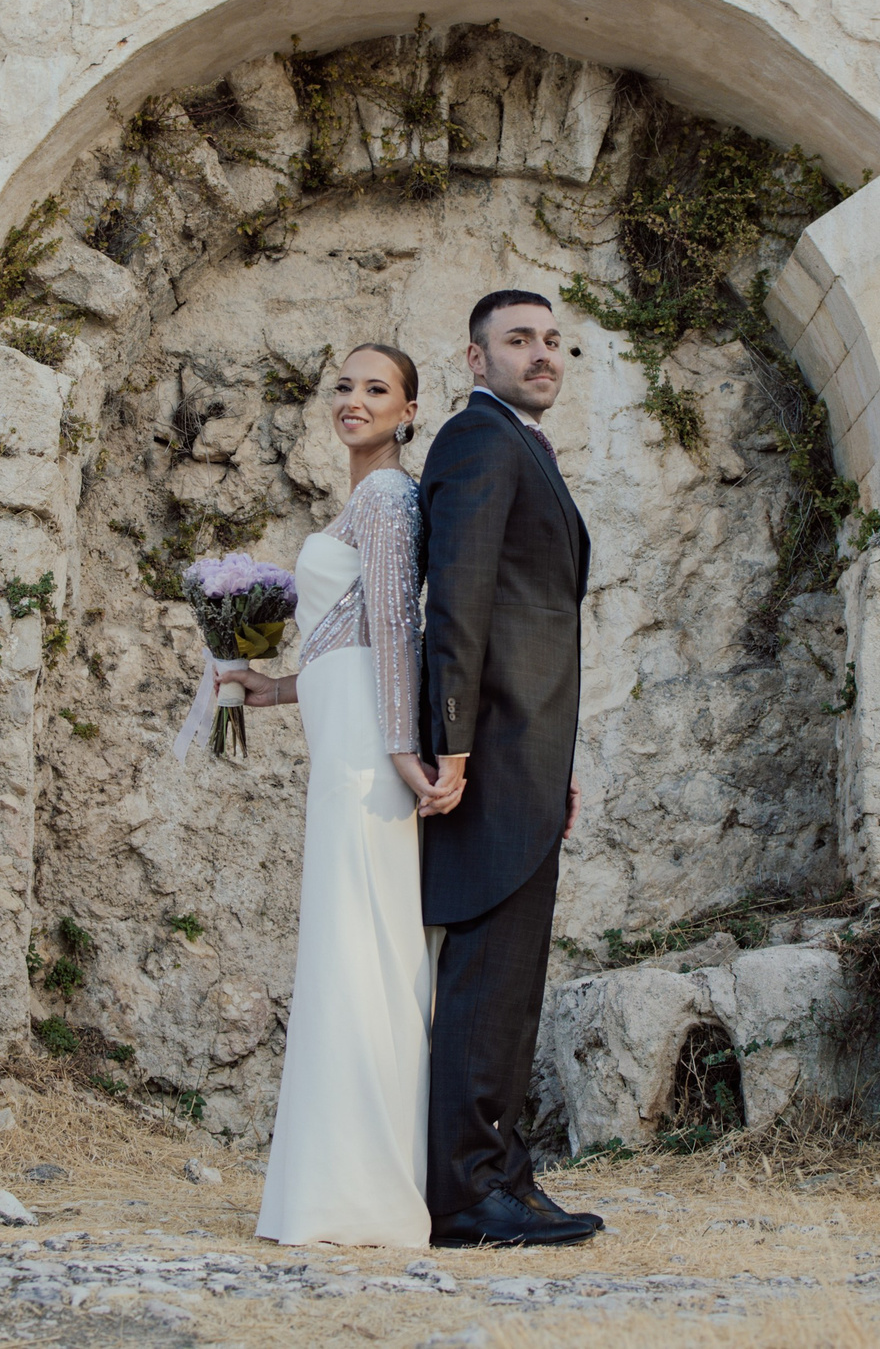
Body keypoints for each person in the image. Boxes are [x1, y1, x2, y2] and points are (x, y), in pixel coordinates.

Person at [215, 344, 454, 1247]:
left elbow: (397, 620)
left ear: (408, 412)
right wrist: (258, 687)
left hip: (366, 752)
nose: (354, 400)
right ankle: (331, 1181)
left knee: (366, 945)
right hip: (344, 734)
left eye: (376, 389)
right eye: (344, 386)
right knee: (341, 943)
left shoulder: (391, 497)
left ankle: (368, 1192)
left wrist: (401, 745)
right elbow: (337, 646)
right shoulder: (357, 501)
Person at [414, 290, 602, 1249]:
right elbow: (459, 598)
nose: (542, 355)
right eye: (519, 340)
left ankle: (504, 1171)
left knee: (514, 977)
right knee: (488, 975)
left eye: (552, 341)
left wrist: (560, 762)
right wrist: (451, 741)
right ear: (477, 357)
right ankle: (463, 1194)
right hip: (485, 753)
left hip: (532, 753)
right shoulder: (475, 440)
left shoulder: (523, 443)